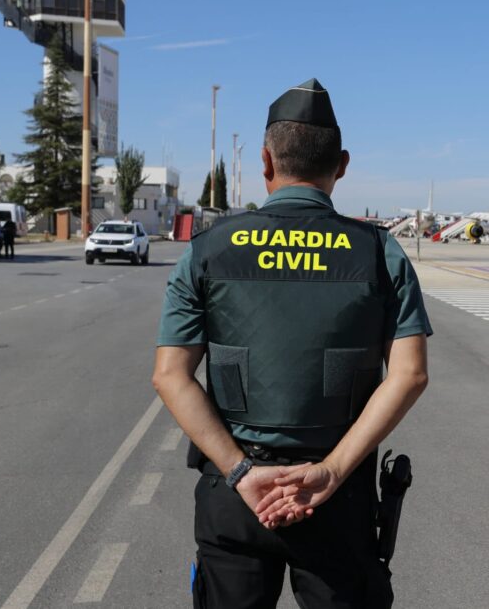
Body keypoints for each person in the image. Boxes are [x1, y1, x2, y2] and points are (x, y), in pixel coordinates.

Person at [151, 78, 432, 608]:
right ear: (342, 164)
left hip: (235, 495)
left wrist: (241, 471)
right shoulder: (378, 252)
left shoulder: (209, 250)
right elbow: (410, 374)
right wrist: (330, 471)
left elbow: (170, 374)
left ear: (264, 161)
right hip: (335, 493)